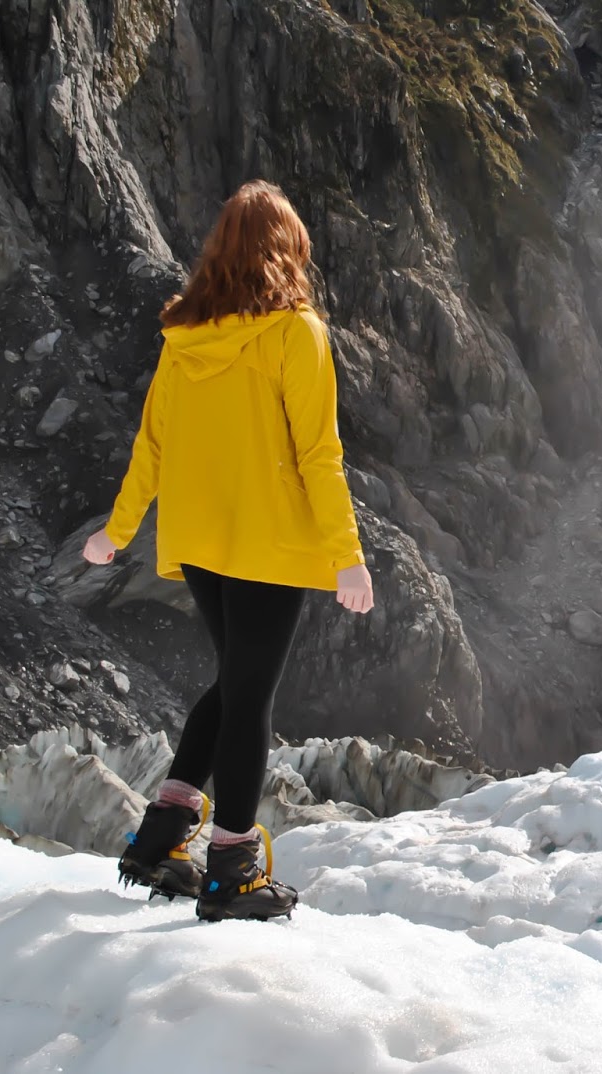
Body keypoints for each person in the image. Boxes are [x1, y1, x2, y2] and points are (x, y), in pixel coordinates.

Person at [86, 180, 375, 922]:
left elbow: (151, 447)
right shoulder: (295, 332)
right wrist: (347, 553)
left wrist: (118, 531)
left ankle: (159, 839)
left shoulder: (185, 338)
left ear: (219, 252)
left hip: (201, 543)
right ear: (290, 249)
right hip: (269, 543)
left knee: (232, 686)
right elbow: (319, 453)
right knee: (251, 700)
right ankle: (232, 872)